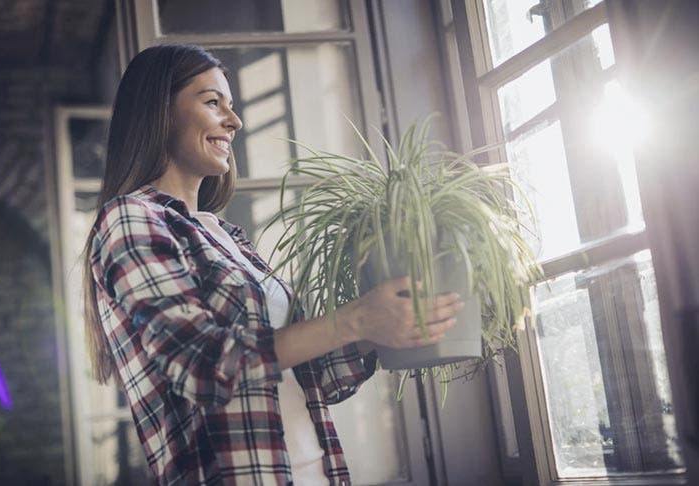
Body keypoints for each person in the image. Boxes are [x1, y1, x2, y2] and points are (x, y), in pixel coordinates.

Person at [82, 44, 463, 485]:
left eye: (233, 105)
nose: (235, 121)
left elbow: (313, 377)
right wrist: (355, 319)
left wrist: (391, 320)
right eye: (212, 102)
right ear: (159, 111)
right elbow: (204, 366)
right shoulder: (131, 220)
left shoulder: (226, 237)